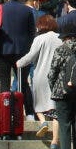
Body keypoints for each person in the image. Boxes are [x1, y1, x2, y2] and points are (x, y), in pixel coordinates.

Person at [0, 0, 37, 110]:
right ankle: (29, 112)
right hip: (22, 52)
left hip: (3, 50)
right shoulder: (27, 10)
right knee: (23, 83)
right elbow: (32, 32)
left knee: (4, 83)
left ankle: (6, 111)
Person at [48, 21, 76, 149]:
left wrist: (55, 89)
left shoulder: (61, 50)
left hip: (61, 94)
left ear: (65, 37)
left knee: (64, 128)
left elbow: (52, 74)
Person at [17, 14, 61, 142]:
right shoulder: (60, 39)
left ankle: (42, 122)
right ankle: (55, 141)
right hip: (57, 77)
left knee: (38, 104)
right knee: (55, 110)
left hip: (41, 76)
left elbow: (30, 56)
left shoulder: (39, 39)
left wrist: (19, 62)